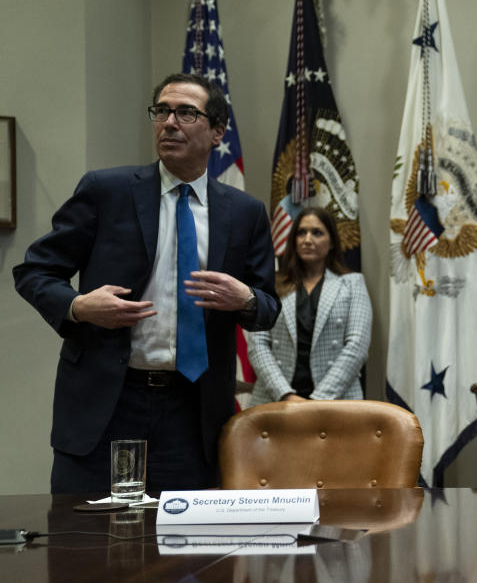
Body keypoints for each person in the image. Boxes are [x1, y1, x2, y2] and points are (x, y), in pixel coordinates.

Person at [14, 73, 280, 493]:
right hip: (108, 404)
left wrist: (244, 297)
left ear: (217, 131)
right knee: (85, 546)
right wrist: (79, 306)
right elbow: (34, 271)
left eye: (186, 113)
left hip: (192, 414)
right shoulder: (107, 190)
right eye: (162, 111)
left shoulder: (245, 212)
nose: (169, 122)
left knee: (185, 554)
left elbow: (267, 307)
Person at [247, 207, 372, 405]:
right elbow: (257, 345)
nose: (307, 239)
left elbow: (356, 347)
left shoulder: (352, 284)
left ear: (331, 242)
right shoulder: (271, 283)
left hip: (336, 401)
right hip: (276, 400)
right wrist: (286, 395)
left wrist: (316, 401)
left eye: (317, 233)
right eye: (301, 232)